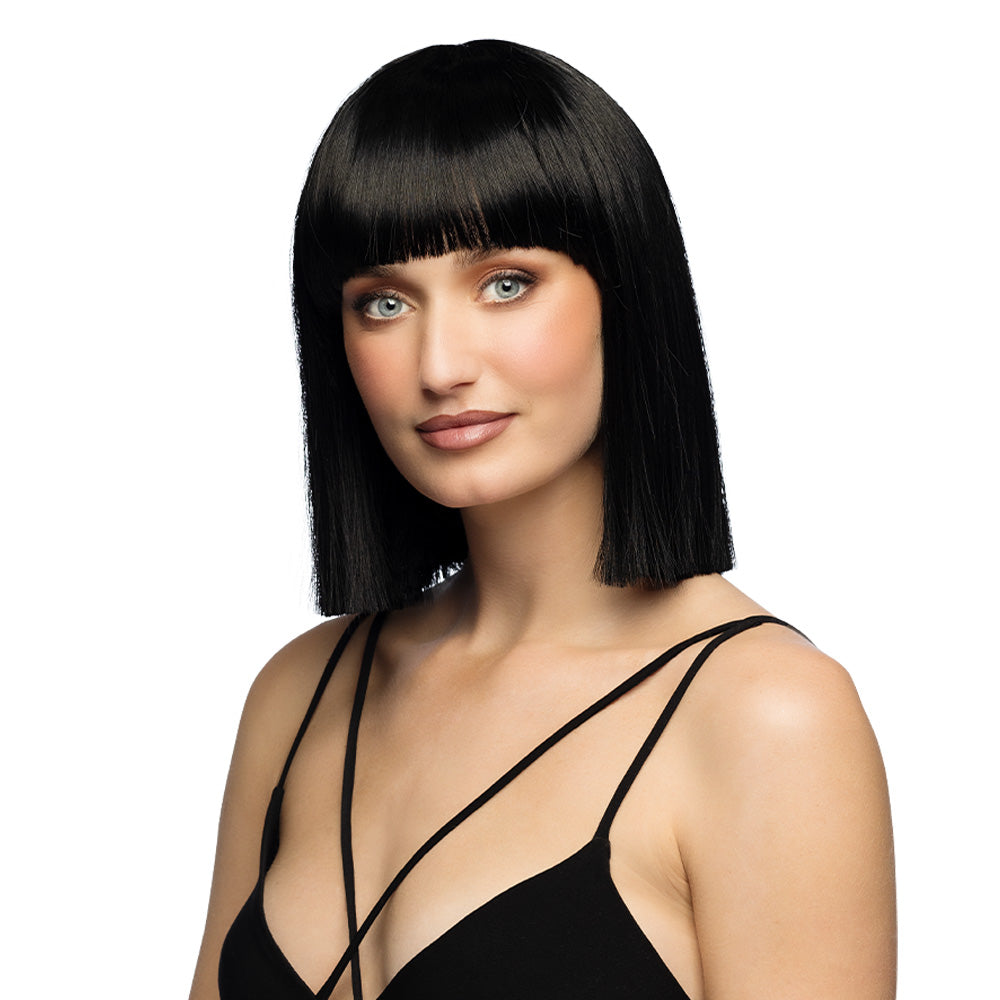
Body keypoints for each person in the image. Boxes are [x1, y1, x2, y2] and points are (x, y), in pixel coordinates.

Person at [189, 40, 896, 1000]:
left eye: (506, 283)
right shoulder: (300, 692)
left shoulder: (767, 717)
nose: (440, 365)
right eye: (384, 302)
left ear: (626, 294)